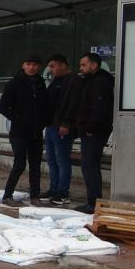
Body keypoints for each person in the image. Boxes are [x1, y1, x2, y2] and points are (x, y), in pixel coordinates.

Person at [61, 53, 114, 214]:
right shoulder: (89, 81)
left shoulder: (99, 82)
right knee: (89, 166)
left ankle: (94, 202)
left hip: (94, 131)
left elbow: (99, 108)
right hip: (90, 130)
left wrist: (90, 128)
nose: (81, 68)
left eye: (84, 65)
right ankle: (92, 200)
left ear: (94, 65)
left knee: (90, 166)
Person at [0, 55, 50, 208]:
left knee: (35, 164)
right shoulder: (14, 83)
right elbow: (2, 107)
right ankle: (7, 195)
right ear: (23, 65)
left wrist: (43, 121)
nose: (32, 67)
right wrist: (18, 118)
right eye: (28, 64)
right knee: (19, 163)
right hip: (19, 131)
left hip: (36, 131)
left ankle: (35, 196)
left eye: (35, 64)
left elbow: (45, 105)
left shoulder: (41, 83)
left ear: (39, 66)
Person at [41, 54, 77, 205]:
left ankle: (63, 192)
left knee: (62, 160)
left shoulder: (73, 81)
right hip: (50, 125)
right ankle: (54, 188)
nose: (51, 69)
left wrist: (66, 123)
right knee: (52, 160)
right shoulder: (55, 81)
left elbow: (72, 103)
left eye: (53, 66)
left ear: (63, 65)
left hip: (62, 127)